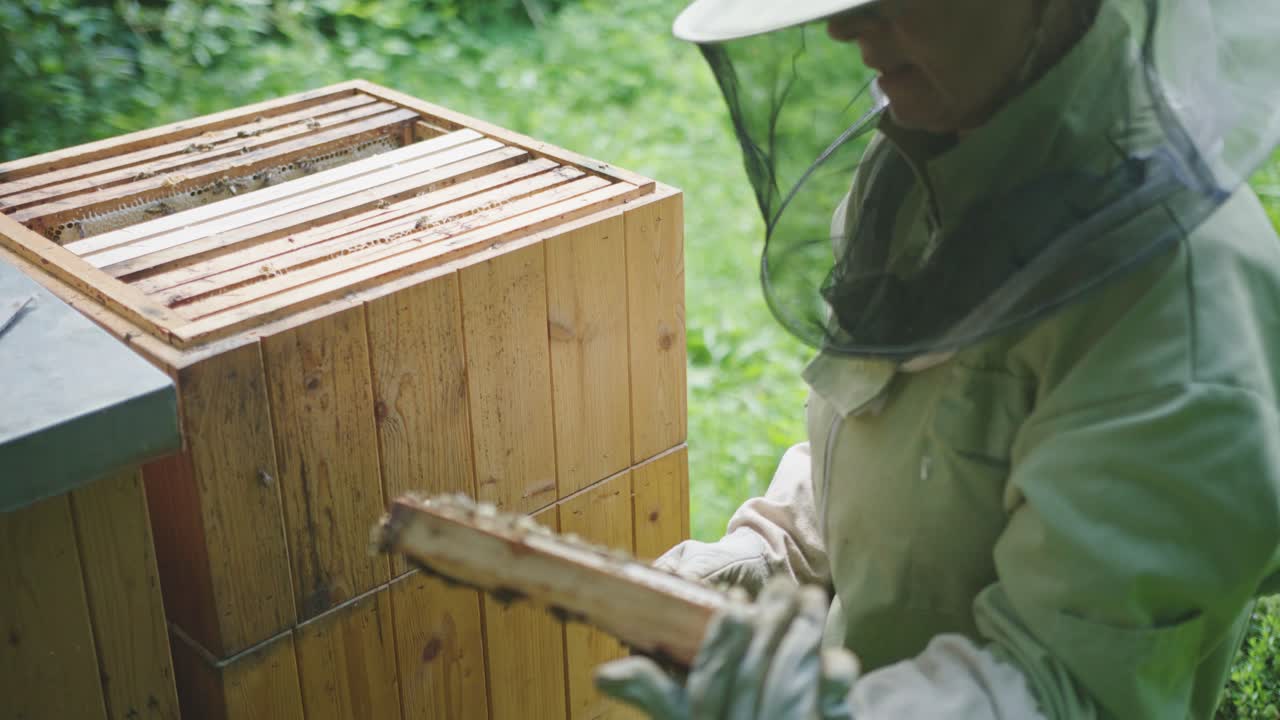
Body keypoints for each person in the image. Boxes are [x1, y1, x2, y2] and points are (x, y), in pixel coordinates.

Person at [593, 0, 1280, 717]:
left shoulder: (1178, 310)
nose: (845, 26)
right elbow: (884, 431)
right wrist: (772, 555)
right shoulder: (927, 157)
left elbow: (1071, 688)